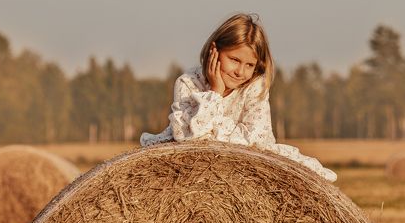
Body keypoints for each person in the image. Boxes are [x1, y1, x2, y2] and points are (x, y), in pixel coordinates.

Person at [140, 13, 337, 182]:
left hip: (253, 163)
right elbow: (185, 137)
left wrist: (211, 130)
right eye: (234, 60)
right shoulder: (188, 83)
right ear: (214, 52)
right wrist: (215, 93)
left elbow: (253, 141)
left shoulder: (254, 88)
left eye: (249, 65)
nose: (240, 72)